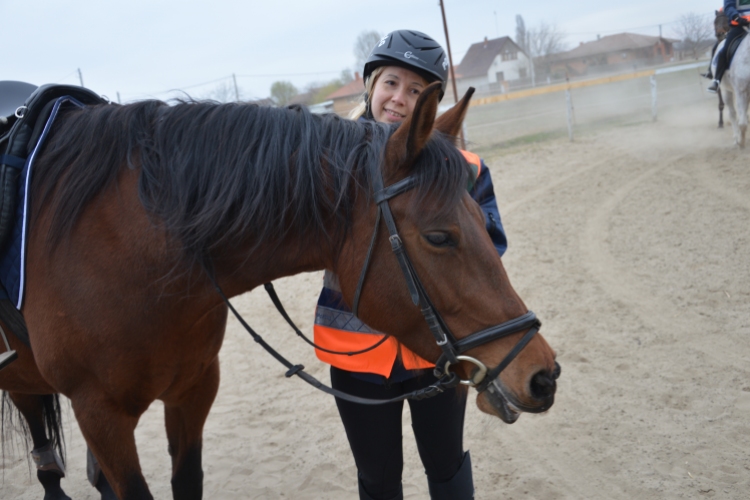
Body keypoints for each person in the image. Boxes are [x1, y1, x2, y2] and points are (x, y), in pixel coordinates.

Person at [312, 30, 508, 500]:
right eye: (392, 83)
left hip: (438, 347)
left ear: (432, 105)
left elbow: (490, 244)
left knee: (445, 464)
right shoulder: (327, 163)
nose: (400, 99)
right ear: (370, 85)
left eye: (417, 91)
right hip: (355, 346)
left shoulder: (466, 167)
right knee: (378, 477)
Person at [708, 0, 750, 93]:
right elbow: (729, 6)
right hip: (740, 26)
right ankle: (717, 80)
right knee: (725, 49)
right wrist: (736, 17)